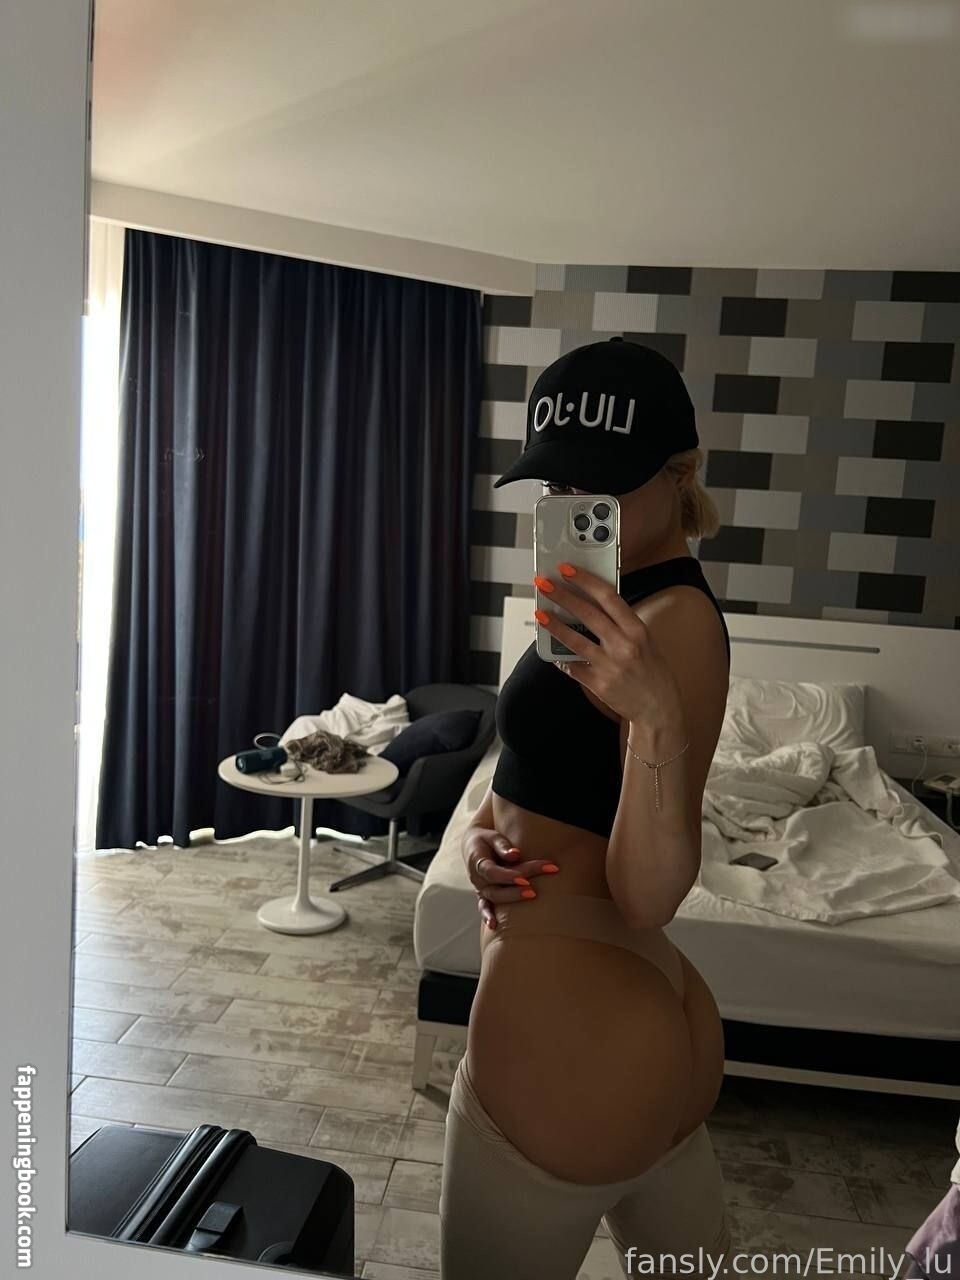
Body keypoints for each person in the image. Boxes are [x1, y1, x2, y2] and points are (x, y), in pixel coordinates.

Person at [438, 339, 734, 1279]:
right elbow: (537, 772)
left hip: (573, 1050)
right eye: (560, 487)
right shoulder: (601, 602)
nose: (576, 507)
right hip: (623, 1041)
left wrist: (654, 714)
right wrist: (482, 839)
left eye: (603, 487)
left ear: (680, 474)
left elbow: (649, 894)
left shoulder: (675, 623)